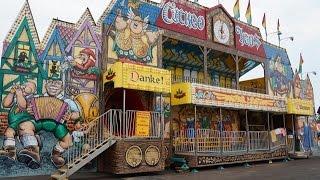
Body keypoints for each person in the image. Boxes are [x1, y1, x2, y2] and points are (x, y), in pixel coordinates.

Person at [0, 81, 39, 167]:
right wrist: (11, 93)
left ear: (34, 91)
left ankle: (32, 151)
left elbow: (23, 106)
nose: (25, 87)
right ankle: (9, 152)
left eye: (29, 87)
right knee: (8, 132)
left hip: (28, 121)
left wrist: (19, 95)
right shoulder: (17, 96)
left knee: (25, 129)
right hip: (14, 123)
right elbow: (5, 104)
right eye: (24, 85)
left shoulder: (33, 98)